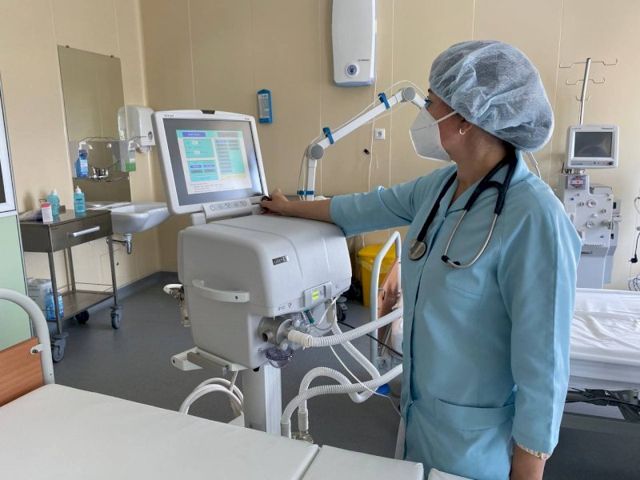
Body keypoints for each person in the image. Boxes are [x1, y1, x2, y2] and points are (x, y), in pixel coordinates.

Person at [262, 40, 581, 480]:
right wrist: (290, 207)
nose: (425, 114)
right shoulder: (441, 187)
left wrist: (529, 469)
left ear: (466, 118)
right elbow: (360, 208)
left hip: (476, 440)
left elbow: (544, 361)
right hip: (421, 416)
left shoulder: (535, 217)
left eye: (432, 103)